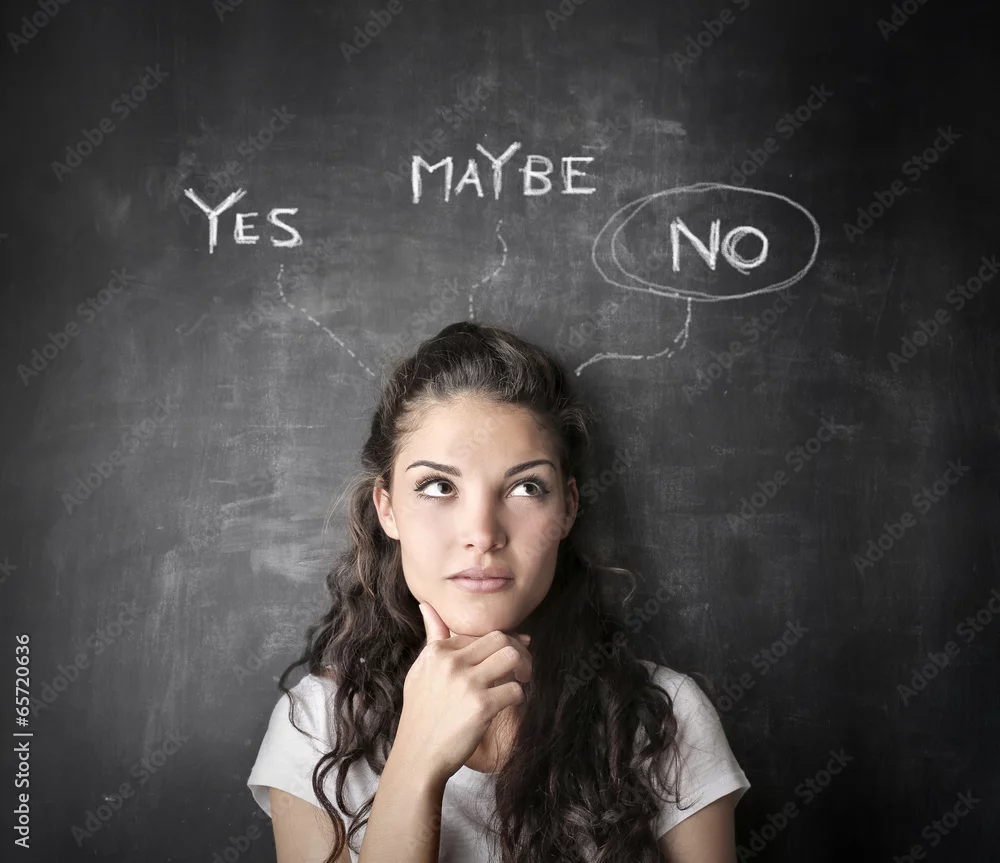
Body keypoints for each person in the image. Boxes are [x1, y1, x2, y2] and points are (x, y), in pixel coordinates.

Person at [247, 321, 750, 862]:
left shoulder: (663, 719)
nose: (483, 534)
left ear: (567, 508)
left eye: (525, 487)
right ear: (387, 509)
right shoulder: (316, 726)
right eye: (438, 486)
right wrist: (416, 761)